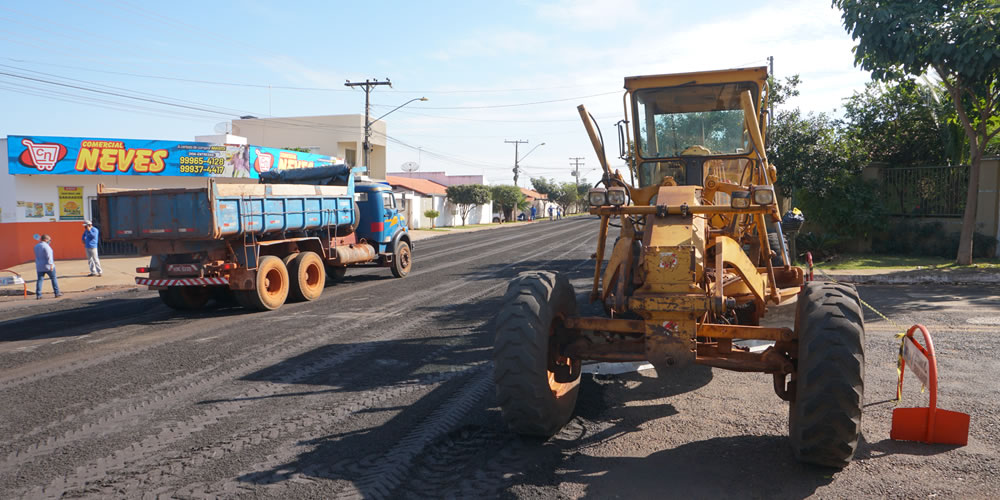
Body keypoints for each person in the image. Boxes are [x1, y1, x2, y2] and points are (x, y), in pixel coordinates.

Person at [34, 234, 61, 299]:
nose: (50, 241)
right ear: (46, 239)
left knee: (40, 280)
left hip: (39, 266)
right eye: (49, 240)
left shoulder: (36, 246)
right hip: (48, 266)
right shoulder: (46, 246)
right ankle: (57, 293)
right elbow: (49, 256)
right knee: (53, 278)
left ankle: (38, 294)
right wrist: (51, 265)